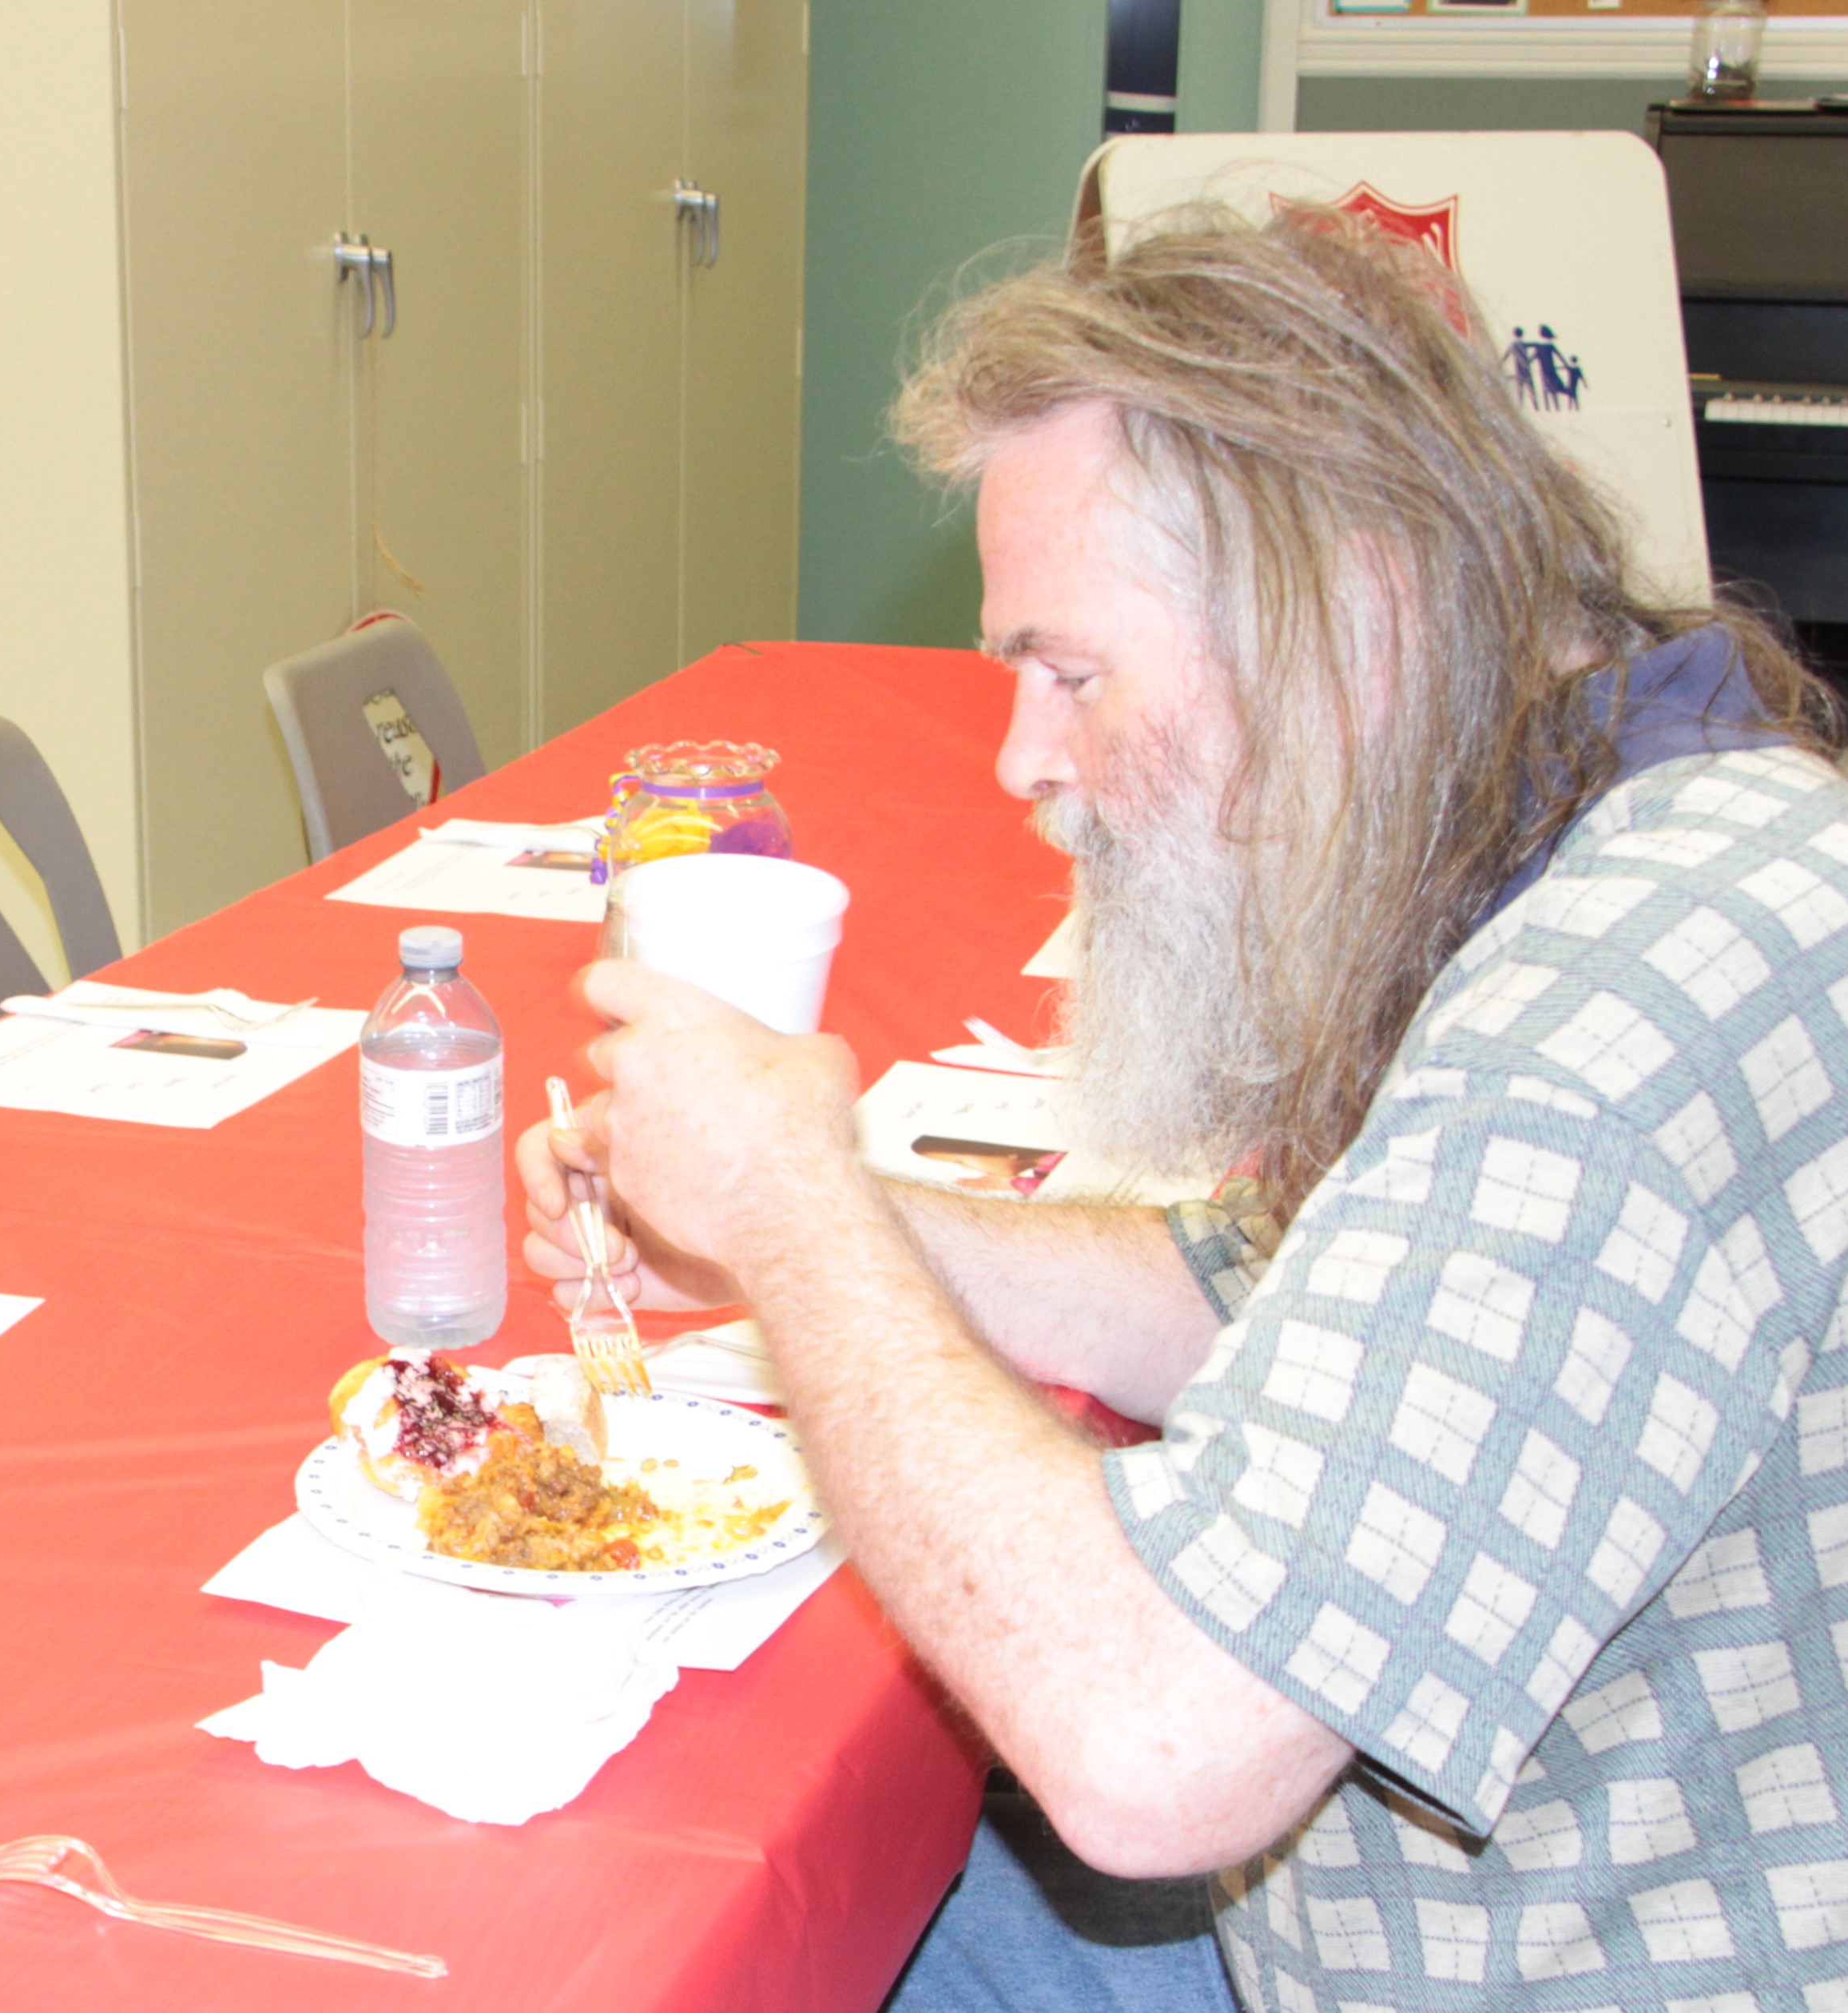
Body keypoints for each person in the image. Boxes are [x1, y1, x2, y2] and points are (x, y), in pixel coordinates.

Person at [525, 208, 1848, 2010]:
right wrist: (818, 1222)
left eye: (1072, 670)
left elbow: (1152, 1752)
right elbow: (1245, 1299)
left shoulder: (1616, 1006)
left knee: (640, 1923)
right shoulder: (1571, 822)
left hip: (1521, 1961)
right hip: (1369, 1902)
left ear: (1354, 595)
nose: (1022, 759)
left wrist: (795, 1215)